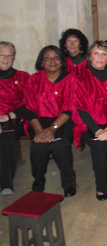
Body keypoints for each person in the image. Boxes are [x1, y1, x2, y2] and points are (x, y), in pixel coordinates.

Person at [75, 41, 107, 201]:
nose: (100, 57)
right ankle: (101, 186)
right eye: (96, 53)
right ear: (89, 57)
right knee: (99, 146)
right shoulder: (81, 78)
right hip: (90, 124)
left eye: (104, 54)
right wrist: (97, 130)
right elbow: (80, 108)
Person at [25, 45, 77, 197]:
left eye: (56, 57)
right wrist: (40, 131)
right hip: (39, 121)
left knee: (60, 145)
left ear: (62, 61)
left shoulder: (70, 79)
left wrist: (53, 128)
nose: (52, 61)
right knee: (38, 147)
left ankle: (69, 181)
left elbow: (70, 107)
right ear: (41, 62)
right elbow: (29, 108)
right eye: (47, 58)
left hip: (64, 120)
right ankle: (38, 181)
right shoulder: (33, 80)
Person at [0, 42, 30, 196]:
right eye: (1, 55)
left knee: (7, 137)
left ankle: (5, 183)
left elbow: (29, 103)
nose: (5, 59)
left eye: (9, 55)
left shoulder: (22, 77)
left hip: (15, 118)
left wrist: (8, 116)